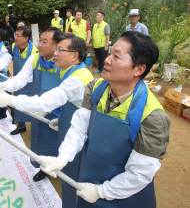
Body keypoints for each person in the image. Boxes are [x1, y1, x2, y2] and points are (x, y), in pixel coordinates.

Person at [40, 31, 170, 208]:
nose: (107, 60)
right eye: (109, 53)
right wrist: (63, 157)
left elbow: (139, 174)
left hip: (125, 193)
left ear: (139, 69)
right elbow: (80, 128)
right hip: (90, 174)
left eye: (116, 57)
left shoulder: (153, 117)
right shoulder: (95, 88)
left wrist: (101, 191)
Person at [0, 33, 94, 186]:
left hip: (81, 132)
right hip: (72, 123)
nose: (55, 53)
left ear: (74, 56)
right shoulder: (72, 71)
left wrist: (10, 99)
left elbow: (45, 102)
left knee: (74, 170)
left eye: (60, 50)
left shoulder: (75, 79)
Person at [0, 27, 63, 182]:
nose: (40, 45)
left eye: (44, 41)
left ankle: (62, 167)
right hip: (38, 109)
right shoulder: (35, 58)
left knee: (62, 141)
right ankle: (43, 167)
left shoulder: (64, 63)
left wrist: (52, 108)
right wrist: (6, 86)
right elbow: (21, 78)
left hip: (59, 112)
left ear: (57, 45)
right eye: (39, 40)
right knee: (40, 138)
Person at [0, 26, 38, 134]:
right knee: (18, 105)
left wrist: (20, 80)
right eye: (15, 35)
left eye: (18, 36)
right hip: (17, 82)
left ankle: (36, 128)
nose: (15, 38)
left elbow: (33, 73)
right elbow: (6, 60)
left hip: (30, 83)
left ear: (26, 38)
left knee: (32, 105)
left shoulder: (34, 51)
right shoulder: (14, 47)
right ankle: (21, 125)